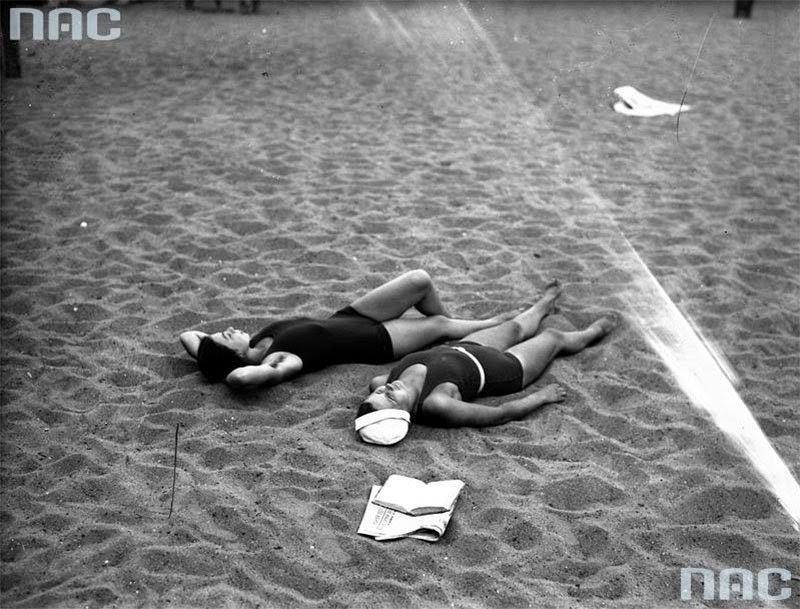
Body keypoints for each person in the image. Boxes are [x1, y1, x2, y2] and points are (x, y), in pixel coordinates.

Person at [355, 281, 615, 445]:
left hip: (467, 348)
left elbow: (378, 389)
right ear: (406, 415)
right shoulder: (437, 404)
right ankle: (593, 332)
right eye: (389, 399)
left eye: (380, 393)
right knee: (553, 338)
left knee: (513, 327)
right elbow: (500, 414)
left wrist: (379, 396)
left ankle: (543, 305)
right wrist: (542, 398)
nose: (385, 390)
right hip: (503, 369)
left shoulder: (381, 382)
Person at [179, 269, 513, 389]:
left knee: (419, 281)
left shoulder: (253, 344)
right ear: (237, 356)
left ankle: (456, 333)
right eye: (227, 336)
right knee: (438, 324)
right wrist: (233, 369)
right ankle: (485, 328)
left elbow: (189, 337)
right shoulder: (279, 360)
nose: (230, 328)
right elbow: (240, 378)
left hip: (351, 315)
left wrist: (211, 355)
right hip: (375, 342)